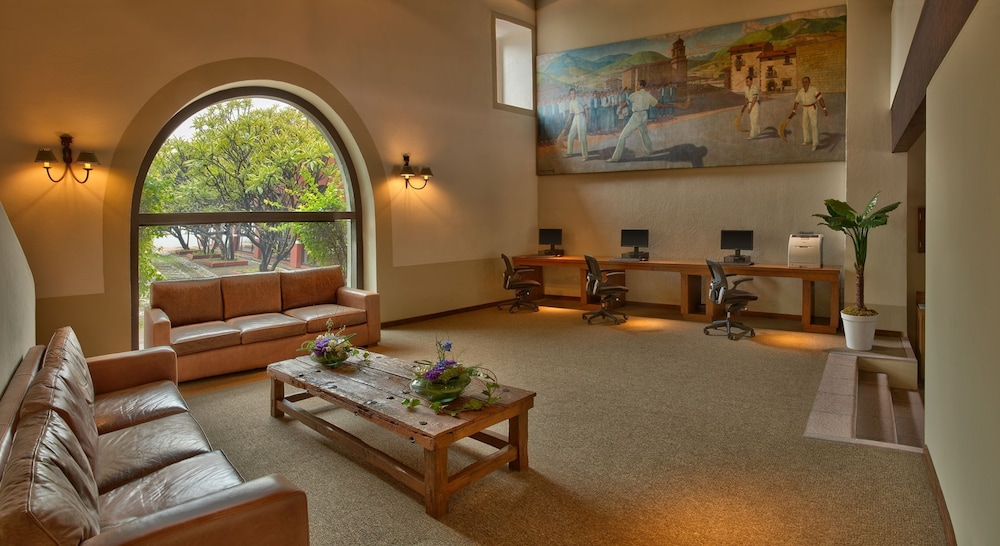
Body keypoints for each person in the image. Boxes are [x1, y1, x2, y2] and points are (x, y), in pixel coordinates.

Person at [607, 80, 664, 163]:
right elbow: (658, 105)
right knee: (644, 133)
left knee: (622, 136)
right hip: (644, 115)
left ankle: (615, 158)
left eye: (637, 84)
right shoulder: (648, 95)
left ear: (641, 86)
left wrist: (620, 108)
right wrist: (664, 106)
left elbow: (626, 104)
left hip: (637, 115)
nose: (636, 86)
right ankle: (650, 150)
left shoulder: (634, 94)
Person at [790, 76, 828, 151]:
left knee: (814, 125)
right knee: (805, 124)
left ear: (809, 82)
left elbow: (820, 99)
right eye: (803, 82)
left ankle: (815, 143)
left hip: (812, 108)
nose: (804, 83)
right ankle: (807, 140)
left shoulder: (813, 89)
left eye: (806, 82)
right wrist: (794, 110)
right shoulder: (801, 91)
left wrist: (824, 108)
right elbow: (797, 101)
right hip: (805, 108)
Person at [563, 87, 589, 161]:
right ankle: (569, 152)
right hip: (575, 117)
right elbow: (571, 113)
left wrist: (587, 118)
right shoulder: (570, 103)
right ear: (570, 95)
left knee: (582, 137)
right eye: (571, 93)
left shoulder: (579, 99)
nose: (573, 95)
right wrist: (567, 121)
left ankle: (585, 156)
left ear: (576, 93)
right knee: (570, 136)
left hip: (581, 116)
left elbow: (586, 108)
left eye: (574, 93)